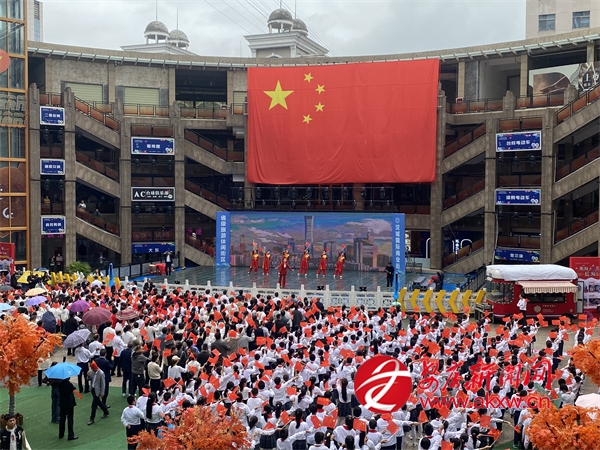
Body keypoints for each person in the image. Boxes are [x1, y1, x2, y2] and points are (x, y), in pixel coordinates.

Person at [88, 361, 110, 425]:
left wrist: (102, 392)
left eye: (92, 368)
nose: (91, 370)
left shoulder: (101, 373)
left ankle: (92, 419)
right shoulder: (92, 372)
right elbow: (89, 379)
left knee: (93, 406)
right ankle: (105, 411)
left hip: (97, 391)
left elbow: (103, 384)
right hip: (93, 390)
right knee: (98, 402)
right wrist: (88, 376)